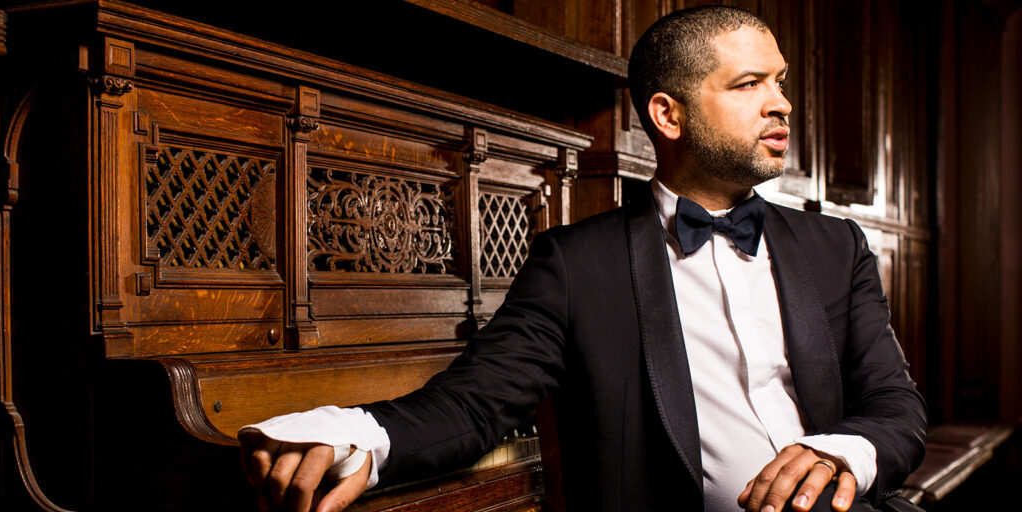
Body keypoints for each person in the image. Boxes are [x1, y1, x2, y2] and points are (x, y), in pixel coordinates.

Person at [239, 6, 926, 512]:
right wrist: (352, 436)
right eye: (749, 85)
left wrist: (844, 451)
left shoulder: (836, 247)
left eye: (779, 82)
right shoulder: (576, 265)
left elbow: (896, 409)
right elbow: (475, 403)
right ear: (669, 114)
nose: (780, 104)